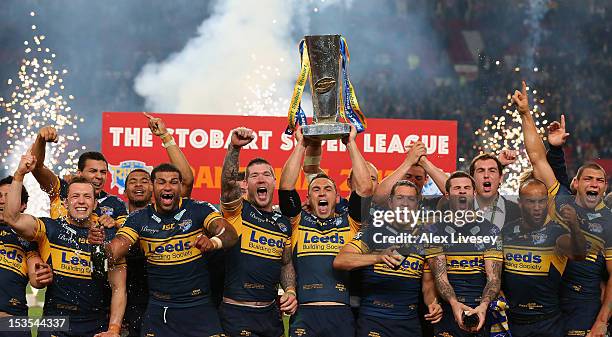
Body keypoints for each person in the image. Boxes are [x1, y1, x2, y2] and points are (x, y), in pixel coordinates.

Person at [88, 163, 238, 337]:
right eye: (161, 182)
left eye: (173, 182)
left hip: (199, 307)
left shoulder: (199, 209)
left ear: (181, 186)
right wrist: (98, 245)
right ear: (153, 187)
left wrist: (213, 243)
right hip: (160, 309)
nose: (167, 187)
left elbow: (230, 234)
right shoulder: (138, 219)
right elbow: (113, 252)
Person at [514, 80, 612, 337]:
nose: (595, 184)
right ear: (576, 183)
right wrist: (526, 114)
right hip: (551, 304)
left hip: (584, 308)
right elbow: (536, 158)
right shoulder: (560, 200)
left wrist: (602, 320)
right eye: (589, 179)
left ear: (605, 188)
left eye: (600, 181)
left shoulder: (610, 222)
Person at [3, 153, 126, 337]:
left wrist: (114, 328)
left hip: (95, 322)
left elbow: (119, 287)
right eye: (75, 196)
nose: (81, 201)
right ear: (66, 202)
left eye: (87, 197)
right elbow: (12, 218)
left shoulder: (108, 236)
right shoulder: (49, 228)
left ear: (94, 204)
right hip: (55, 321)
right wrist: (19, 175)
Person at [279, 125, 374, 337]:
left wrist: (351, 143)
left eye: (328, 189)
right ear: (308, 199)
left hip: (341, 314)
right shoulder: (297, 221)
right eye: (316, 189)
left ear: (337, 198)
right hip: (304, 313)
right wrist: (301, 144)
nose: (322, 192)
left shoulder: (350, 222)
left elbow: (366, 188)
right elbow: (286, 186)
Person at [334, 180, 443, 337]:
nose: (405, 204)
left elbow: (427, 284)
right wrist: (377, 257)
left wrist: (433, 304)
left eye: (411, 199)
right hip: (374, 319)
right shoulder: (373, 231)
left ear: (417, 205)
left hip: (409, 322)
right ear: (390, 203)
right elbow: (340, 260)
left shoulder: (425, 237)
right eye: (400, 198)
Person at [121, 112, 196, 337]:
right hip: (124, 295)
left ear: (154, 188)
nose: (139, 184)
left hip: (162, 296)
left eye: (145, 180)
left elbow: (187, 179)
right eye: (132, 181)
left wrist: (165, 137)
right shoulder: (114, 214)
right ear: (124, 190)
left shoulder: (168, 212)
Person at [217, 127, 297, 336]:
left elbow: (286, 263)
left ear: (274, 181)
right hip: (236, 312)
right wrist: (234, 148)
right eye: (254, 176)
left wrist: (290, 290)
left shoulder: (283, 223)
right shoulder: (238, 210)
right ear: (245, 183)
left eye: (266, 175)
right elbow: (227, 185)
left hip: (270, 316)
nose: (261, 179)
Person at [501, 179, 587, 337]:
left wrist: (575, 226)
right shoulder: (506, 232)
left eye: (541, 202)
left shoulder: (557, 233)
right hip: (512, 321)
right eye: (531, 202)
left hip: (547, 323)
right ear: (520, 203)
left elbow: (579, 254)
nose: (537, 208)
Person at [426, 171, 503, 337]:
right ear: (447, 195)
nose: (462, 191)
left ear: (474, 194)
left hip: (482, 308)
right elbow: (440, 277)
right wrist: (454, 304)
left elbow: (494, 278)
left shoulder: (490, 230)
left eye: (467, 188)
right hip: (447, 310)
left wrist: (483, 306)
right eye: (457, 188)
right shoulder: (433, 231)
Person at [30, 126, 127, 224]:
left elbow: (127, 234)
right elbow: (36, 167)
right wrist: (40, 139)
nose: (99, 176)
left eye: (103, 172)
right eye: (93, 171)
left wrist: (114, 225)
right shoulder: (61, 189)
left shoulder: (115, 203)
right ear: (79, 173)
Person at [0, 176, 53, 337]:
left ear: (22, 205)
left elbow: (36, 280)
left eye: (8, 197)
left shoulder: (29, 239)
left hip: (11, 322)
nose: (2, 201)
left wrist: (42, 275)